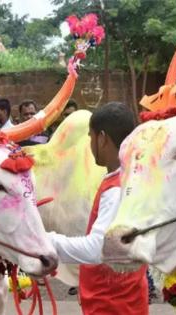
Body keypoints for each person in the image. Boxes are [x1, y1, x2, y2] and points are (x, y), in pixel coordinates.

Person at [48, 102, 149, 315]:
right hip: (121, 297)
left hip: (112, 303)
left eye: (90, 136)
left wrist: (47, 241)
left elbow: (97, 249)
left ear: (102, 138)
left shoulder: (116, 189)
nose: (90, 142)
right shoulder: (130, 176)